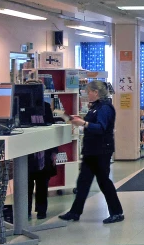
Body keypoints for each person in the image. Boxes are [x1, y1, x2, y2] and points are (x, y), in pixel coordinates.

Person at [59, 81, 124, 224]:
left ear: (96, 92)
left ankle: (117, 212)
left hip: (101, 151)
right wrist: (80, 121)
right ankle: (75, 212)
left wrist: (83, 123)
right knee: (83, 181)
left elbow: (101, 128)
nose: (87, 94)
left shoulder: (105, 108)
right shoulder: (95, 107)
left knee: (104, 182)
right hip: (91, 150)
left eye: (89, 91)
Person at [27, 90, 58, 220]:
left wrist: (54, 152)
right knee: (26, 184)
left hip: (43, 151)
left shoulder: (45, 107)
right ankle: (25, 210)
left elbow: (52, 129)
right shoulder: (19, 107)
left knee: (42, 183)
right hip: (26, 151)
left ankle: (41, 210)